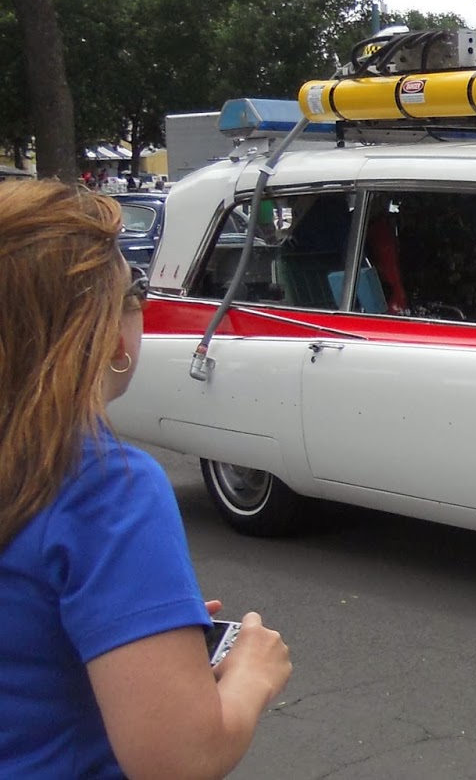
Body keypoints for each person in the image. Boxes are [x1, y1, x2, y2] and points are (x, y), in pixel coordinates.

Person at [0, 180, 292, 778]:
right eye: (133, 295)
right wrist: (251, 675)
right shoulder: (103, 485)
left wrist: (147, 634)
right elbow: (180, 760)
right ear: (107, 335)